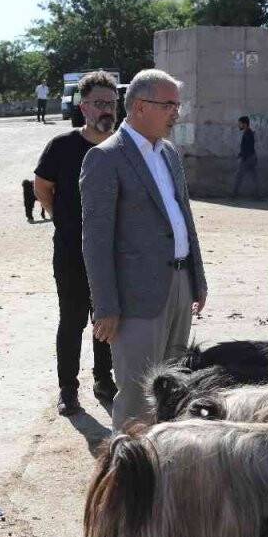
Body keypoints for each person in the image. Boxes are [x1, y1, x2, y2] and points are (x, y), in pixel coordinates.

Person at [81, 69, 207, 431]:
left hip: (179, 283)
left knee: (175, 389)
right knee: (137, 396)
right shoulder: (106, 158)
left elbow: (183, 217)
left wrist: (197, 279)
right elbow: (96, 240)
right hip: (136, 297)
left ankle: (162, 468)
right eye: (169, 105)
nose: (176, 113)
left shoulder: (168, 153)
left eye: (177, 105)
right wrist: (105, 306)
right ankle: (127, 476)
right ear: (139, 107)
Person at [33, 71, 120, 416]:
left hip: (114, 253)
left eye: (111, 103)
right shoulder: (62, 146)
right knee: (71, 320)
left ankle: (104, 379)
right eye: (99, 103)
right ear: (83, 107)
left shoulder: (123, 147)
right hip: (71, 251)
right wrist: (62, 218)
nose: (107, 110)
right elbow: (41, 186)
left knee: (108, 317)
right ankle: (68, 388)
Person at [232, 116, 258, 194]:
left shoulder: (248, 133)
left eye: (240, 124)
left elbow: (248, 147)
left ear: (245, 124)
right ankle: (257, 194)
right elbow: (247, 146)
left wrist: (243, 157)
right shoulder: (248, 132)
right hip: (251, 157)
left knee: (239, 176)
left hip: (248, 158)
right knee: (253, 176)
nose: (239, 125)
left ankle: (234, 194)